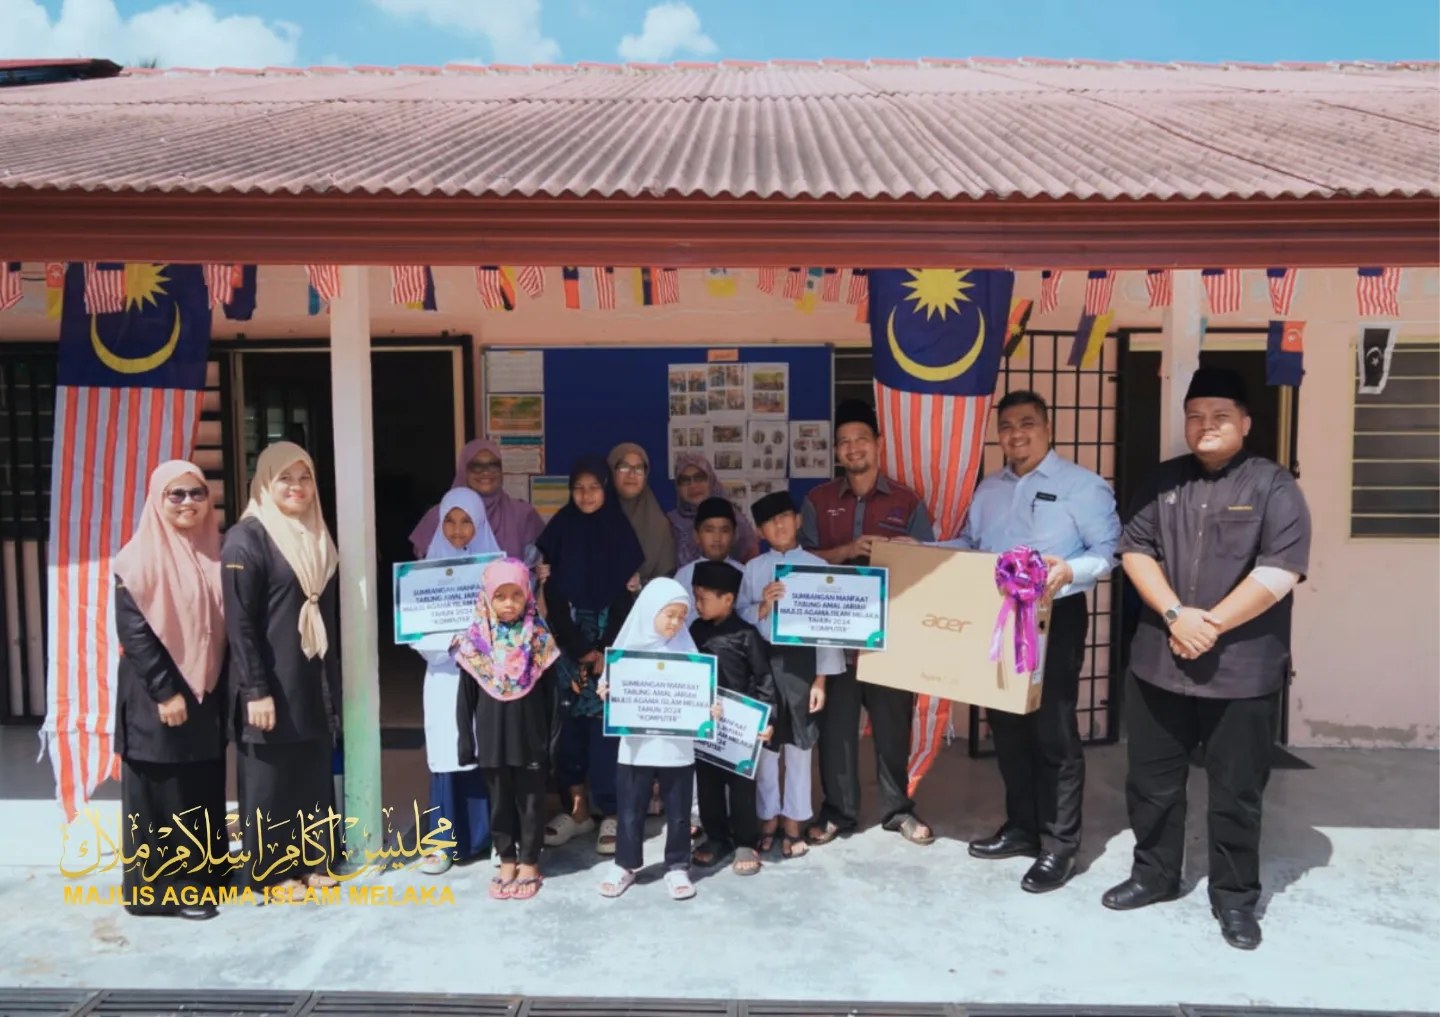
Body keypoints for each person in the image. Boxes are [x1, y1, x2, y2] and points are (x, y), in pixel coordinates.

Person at [1104, 367, 1311, 952]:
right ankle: (1154, 875)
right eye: (1195, 416)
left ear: (1244, 423)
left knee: (1236, 792)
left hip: (1241, 670)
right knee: (1151, 783)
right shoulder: (1162, 481)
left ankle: (1235, 898)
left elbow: (1281, 570)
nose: (1205, 427)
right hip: (1159, 663)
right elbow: (1135, 549)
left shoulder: (1274, 487)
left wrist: (1210, 624)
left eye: (1219, 416)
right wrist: (1175, 616)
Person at [937, 390, 1120, 893]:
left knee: (1053, 732)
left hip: (1053, 616)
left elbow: (1108, 552)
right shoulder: (989, 489)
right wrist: (921, 551)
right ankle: (1021, 827)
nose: (1016, 434)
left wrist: (1069, 570)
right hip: (997, 621)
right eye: (1007, 426)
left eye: (1027, 424)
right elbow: (973, 549)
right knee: (1008, 731)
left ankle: (1059, 844)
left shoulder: (1082, 486)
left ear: (1047, 427)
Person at [800, 399, 935, 847]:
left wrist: (903, 552)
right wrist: (847, 551)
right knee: (836, 732)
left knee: (894, 730)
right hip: (835, 640)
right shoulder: (818, 501)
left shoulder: (906, 500)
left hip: (890, 640)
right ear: (836, 452)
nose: (853, 448)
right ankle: (839, 810)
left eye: (861, 439)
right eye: (844, 442)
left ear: (878, 444)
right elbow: (800, 564)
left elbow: (929, 567)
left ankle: (898, 810)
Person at [222, 441, 341, 893]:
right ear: (265, 483)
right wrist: (255, 690)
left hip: (310, 675)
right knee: (270, 779)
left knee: (309, 772)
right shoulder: (247, 538)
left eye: (304, 476)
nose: (296, 487)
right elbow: (240, 623)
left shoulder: (315, 534)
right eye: (284, 478)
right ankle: (271, 872)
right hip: (270, 679)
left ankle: (311, 861)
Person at [113, 460, 228, 920]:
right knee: (163, 791)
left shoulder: (213, 551)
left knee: (200, 784)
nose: (187, 503)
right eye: (175, 494)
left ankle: (205, 875)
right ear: (157, 501)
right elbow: (135, 633)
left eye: (196, 493)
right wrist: (165, 692)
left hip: (205, 687)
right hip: (156, 695)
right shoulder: (136, 558)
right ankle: (164, 890)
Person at [535, 455, 643, 855]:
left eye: (594, 487)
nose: (586, 495)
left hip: (609, 651)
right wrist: (578, 650)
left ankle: (611, 813)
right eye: (579, 488)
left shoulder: (619, 531)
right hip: (568, 650)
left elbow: (624, 599)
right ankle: (577, 813)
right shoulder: (560, 529)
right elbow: (554, 598)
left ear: (606, 489)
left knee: (605, 733)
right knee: (569, 735)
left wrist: (604, 651)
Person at [596, 578, 717, 900]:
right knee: (631, 809)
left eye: (681, 616)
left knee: (678, 812)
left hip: (677, 750)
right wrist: (607, 691)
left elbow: (701, 693)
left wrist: (710, 707)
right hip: (636, 748)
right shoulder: (627, 651)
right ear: (650, 610)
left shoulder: (686, 650)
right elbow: (609, 684)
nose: (676, 622)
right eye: (669, 615)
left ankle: (678, 866)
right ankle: (625, 864)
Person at [740, 491, 844, 858]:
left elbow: (829, 627)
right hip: (764, 666)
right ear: (761, 531)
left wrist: (821, 679)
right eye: (770, 522)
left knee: (800, 746)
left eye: (785, 516)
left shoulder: (818, 566)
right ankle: (766, 817)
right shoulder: (753, 569)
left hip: (803, 666)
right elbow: (740, 618)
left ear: (798, 520)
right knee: (766, 746)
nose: (779, 525)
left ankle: (794, 821)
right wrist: (763, 606)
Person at [455, 557, 563, 901]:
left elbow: (553, 697)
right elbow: (465, 698)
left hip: (530, 738)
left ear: (527, 596)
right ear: (487, 598)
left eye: (516, 595)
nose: (508, 604)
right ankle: (507, 858)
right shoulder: (474, 645)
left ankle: (530, 861)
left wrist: (553, 743)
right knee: (499, 799)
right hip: (492, 740)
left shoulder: (539, 641)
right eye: (500, 596)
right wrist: (464, 740)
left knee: (531, 800)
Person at [412, 487, 501, 875]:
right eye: (450, 520)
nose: (459, 530)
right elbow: (416, 630)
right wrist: (449, 642)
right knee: (449, 751)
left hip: (487, 676)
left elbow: (511, 617)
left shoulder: (496, 570)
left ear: (480, 523)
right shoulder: (425, 571)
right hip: (446, 673)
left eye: (467, 521)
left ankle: (496, 838)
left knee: (489, 750)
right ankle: (443, 843)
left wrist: (480, 645)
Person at [688, 561, 775, 876]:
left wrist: (767, 720)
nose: (697, 605)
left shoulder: (746, 635)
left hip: (740, 730)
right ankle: (717, 838)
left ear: (727, 599)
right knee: (708, 785)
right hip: (706, 727)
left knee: (741, 788)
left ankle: (744, 841)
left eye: (703, 598)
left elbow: (764, 679)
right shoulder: (694, 631)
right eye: (695, 597)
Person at [408, 438, 546, 563]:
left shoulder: (522, 515)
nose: (486, 472)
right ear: (464, 470)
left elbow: (534, 568)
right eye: (477, 466)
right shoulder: (439, 516)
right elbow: (422, 574)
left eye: (493, 465)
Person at [668, 453, 759, 567]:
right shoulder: (670, 524)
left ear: (711, 480)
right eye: (685, 480)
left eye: (699, 478)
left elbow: (753, 567)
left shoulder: (735, 519)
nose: (693, 486)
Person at [609, 442, 678, 583]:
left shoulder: (659, 525)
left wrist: (639, 586)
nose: (632, 474)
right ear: (611, 471)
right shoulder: (592, 518)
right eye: (624, 467)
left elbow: (665, 579)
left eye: (639, 469)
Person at [674, 496, 746, 624]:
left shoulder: (745, 574)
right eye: (709, 530)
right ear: (696, 536)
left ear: (734, 535)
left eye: (724, 530)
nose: (717, 538)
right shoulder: (684, 576)